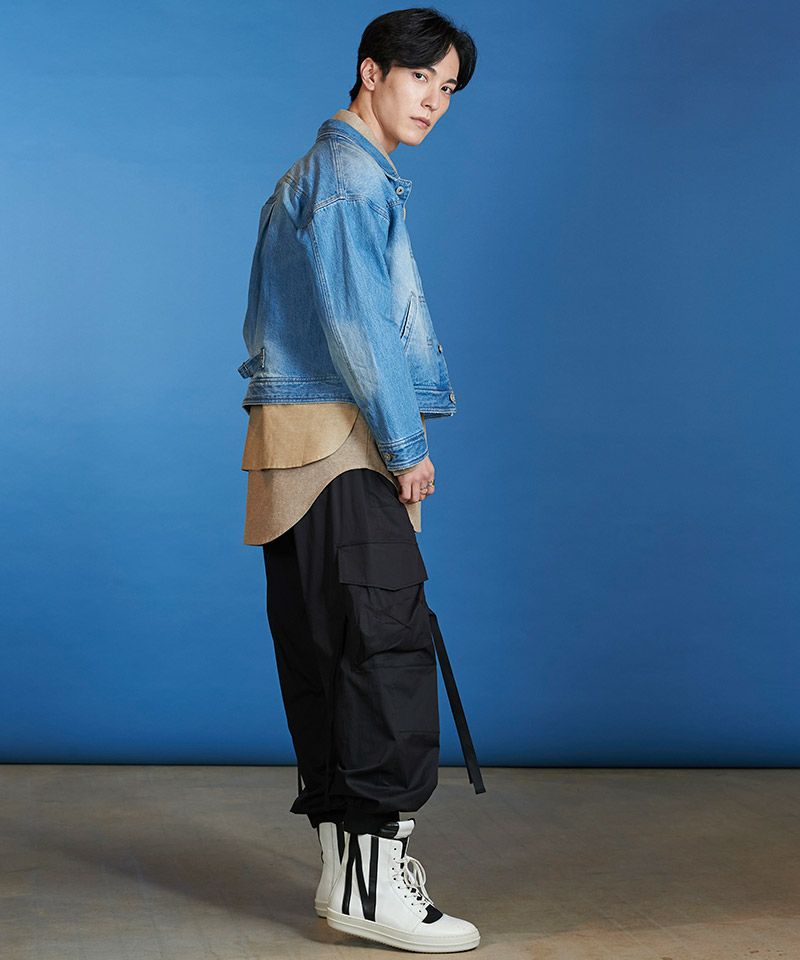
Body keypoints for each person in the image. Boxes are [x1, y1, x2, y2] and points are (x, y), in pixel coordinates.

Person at [237, 8, 484, 952]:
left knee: (328, 654)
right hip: (341, 444)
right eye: (421, 77)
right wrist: (405, 442)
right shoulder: (348, 178)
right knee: (383, 653)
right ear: (371, 71)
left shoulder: (317, 174)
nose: (435, 101)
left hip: (293, 450)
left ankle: (351, 882)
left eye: (448, 88)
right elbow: (360, 325)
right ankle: (380, 891)